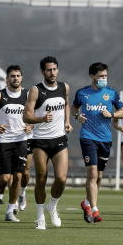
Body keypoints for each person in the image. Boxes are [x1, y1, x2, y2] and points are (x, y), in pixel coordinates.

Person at [71, 62, 123, 223]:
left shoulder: (111, 93)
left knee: (99, 176)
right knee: (92, 174)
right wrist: (77, 116)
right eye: (100, 76)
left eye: (105, 76)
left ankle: (86, 203)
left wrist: (112, 115)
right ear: (92, 77)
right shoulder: (82, 93)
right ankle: (94, 210)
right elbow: (74, 108)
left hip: (105, 139)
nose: (103, 79)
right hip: (87, 136)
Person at [23, 56, 73, 229]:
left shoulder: (64, 87)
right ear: (42, 71)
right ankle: (40, 217)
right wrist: (42, 118)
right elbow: (26, 116)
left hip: (59, 139)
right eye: (49, 70)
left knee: (61, 179)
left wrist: (67, 121)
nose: (52, 73)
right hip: (40, 141)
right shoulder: (35, 91)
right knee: (41, 178)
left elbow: (66, 103)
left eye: (55, 69)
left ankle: (52, 206)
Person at [0, 65, 32, 222]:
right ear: (7, 79)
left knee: (18, 176)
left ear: (22, 77)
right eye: (12, 76)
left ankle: (10, 212)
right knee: (5, 178)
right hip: (4, 142)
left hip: (21, 141)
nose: (16, 78)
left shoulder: (27, 95)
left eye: (18, 75)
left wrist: (30, 126)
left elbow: (36, 115)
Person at [18, 116, 34, 211]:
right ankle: (13, 202)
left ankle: (22, 193)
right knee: (13, 173)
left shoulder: (32, 101)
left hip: (28, 137)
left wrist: (31, 126)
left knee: (25, 172)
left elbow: (36, 115)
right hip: (12, 138)